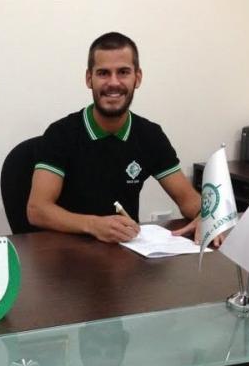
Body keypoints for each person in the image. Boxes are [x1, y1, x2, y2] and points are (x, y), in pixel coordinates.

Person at [27, 32, 207, 244]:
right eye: (103, 73)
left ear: (137, 78)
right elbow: (37, 210)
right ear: (89, 79)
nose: (113, 83)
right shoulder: (60, 134)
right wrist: (93, 225)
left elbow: (188, 200)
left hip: (127, 253)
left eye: (123, 72)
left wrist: (205, 216)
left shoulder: (150, 135)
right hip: (68, 253)